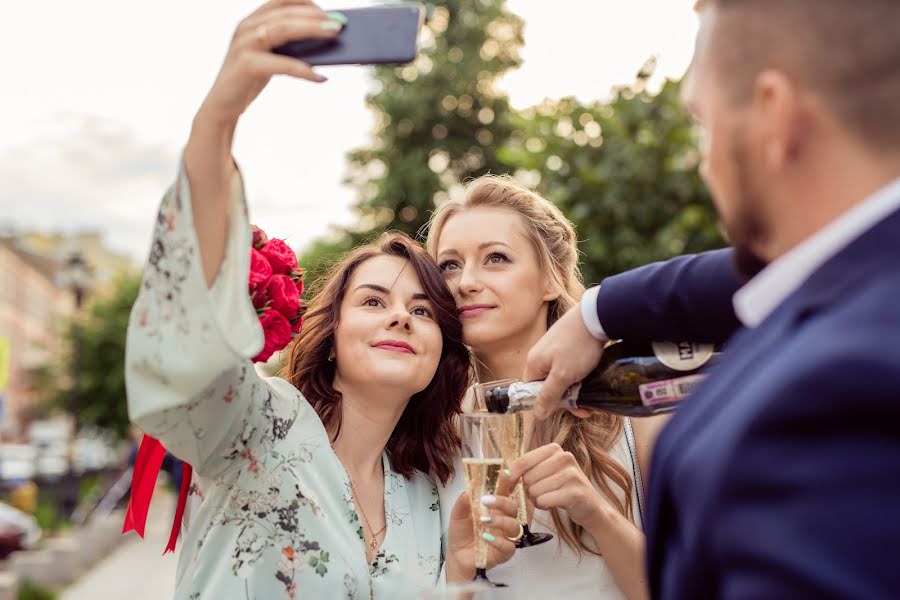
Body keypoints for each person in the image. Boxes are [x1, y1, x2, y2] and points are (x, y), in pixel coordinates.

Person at [125, 2, 519, 598]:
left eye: (422, 311)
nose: (399, 316)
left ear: (442, 353)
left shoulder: (426, 491)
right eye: (373, 301)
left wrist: (461, 571)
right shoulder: (258, 425)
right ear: (330, 336)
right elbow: (191, 346)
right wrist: (218, 119)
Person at [520, 0, 900, 598]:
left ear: (774, 116)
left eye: (704, 122)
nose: (703, 161)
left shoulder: (833, 396)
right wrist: (596, 312)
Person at [426, 176, 665, 599]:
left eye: (495, 258)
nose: (465, 282)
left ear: (551, 279)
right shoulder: (430, 434)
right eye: (449, 265)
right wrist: (461, 572)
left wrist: (595, 513)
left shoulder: (633, 415)